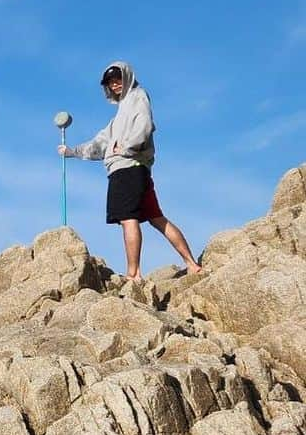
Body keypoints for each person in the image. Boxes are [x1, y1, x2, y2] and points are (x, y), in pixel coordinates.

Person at [58, 60, 202, 280]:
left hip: (127, 169)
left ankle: (134, 274)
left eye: (117, 79)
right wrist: (72, 151)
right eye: (110, 82)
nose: (114, 84)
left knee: (128, 219)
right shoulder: (119, 115)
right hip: (138, 168)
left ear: (127, 77)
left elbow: (144, 125)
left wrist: (126, 147)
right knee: (156, 218)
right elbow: (100, 143)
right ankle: (192, 264)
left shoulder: (137, 96)